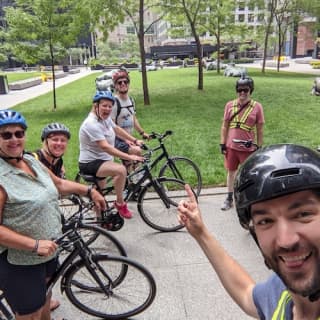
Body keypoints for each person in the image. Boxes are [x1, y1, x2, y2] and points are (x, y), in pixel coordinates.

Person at [178, 143, 320, 319]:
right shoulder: (281, 293)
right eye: (265, 221)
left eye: (303, 214)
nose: (286, 240)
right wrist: (201, 233)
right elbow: (246, 293)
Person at [0, 109, 106, 320]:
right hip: (20, 262)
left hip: (50, 250)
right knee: (31, 314)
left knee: (46, 296)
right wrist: (35, 245)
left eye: (19, 133)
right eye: (6, 135)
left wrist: (89, 191)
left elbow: (58, 184)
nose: (14, 139)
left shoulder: (30, 160)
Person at [78, 90, 144, 219]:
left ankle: (100, 221)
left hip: (103, 161)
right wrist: (130, 157)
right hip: (90, 163)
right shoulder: (91, 124)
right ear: (95, 106)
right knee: (121, 170)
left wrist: (134, 140)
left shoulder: (104, 119)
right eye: (104, 105)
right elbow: (105, 147)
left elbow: (117, 129)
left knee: (99, 195)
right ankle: (120, 203)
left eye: (110, 106)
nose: (108, 109)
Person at [220, 76, 264, 210]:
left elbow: (260, 128)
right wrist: (222, 143)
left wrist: (259, 146)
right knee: (231, 172)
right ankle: (229, 198)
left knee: (248, 173)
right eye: (240, 90)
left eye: (246, 90)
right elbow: (224, 126)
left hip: (248, 148)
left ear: (251, 90)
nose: (242, 93)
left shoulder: (257, 107)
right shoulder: (230, 105)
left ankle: (248, 198)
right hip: (231, 147)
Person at [111, 69, 150, 163]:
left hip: (128, 138)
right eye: (119, 82)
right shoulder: (114, 102)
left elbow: (133, 119)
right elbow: (111, 126)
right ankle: (134, 176)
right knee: (137, 151)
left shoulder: (131, 100)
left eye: (125, 81)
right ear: (115, 86)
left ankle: (132, 176)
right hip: (116, 139)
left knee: (134, 162)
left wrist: (142, 133)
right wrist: (125, 139)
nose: (123, 84)